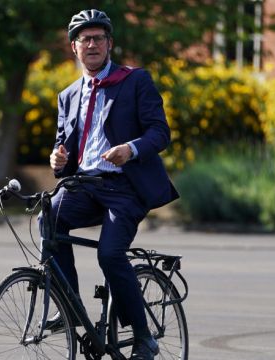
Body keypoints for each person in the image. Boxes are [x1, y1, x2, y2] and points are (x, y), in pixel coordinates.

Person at [43, 9, 179, 360]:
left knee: (109, 254)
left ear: (110, 44)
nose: (92, 44)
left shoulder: (135, 80)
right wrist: (57, 160)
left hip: (126, 189)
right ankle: (69, 305)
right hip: (85, 187)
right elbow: (65, 150)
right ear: (74, 48)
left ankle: (143, 337)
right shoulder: (68, 95)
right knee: (49, 218)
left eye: (98, 38)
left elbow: (160, 133)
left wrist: (130, 150)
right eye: (85, 39)